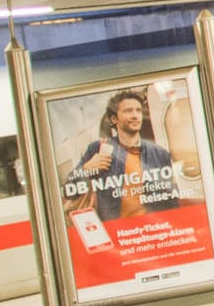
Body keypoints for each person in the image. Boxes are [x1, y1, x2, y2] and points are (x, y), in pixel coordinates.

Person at [66, 89, 181, 220]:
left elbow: (171, 200)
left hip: (152, 231)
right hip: (118, 233)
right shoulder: (96, 149)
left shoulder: (160, 154)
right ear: (114, 118)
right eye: (128, 111)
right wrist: (86, 170)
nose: (135, 115)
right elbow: (70, 192)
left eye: (138, 110)